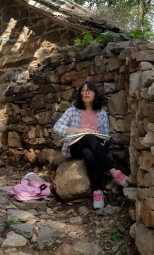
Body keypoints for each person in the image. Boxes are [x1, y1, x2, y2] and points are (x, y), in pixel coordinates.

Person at [53, 81, 127, 210]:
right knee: (89, 136)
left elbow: (106, 135)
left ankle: (97, 192)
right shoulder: (73, 111)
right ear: (80, 95)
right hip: (76, 147)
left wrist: (98, 140)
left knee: (89, 152)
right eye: (83, 91)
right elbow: (57, 127)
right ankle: (114, 172)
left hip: (94, 147)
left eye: (89, 90)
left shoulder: (101, 113)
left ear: (95, 93)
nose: (86, 93)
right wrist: (79, 130)